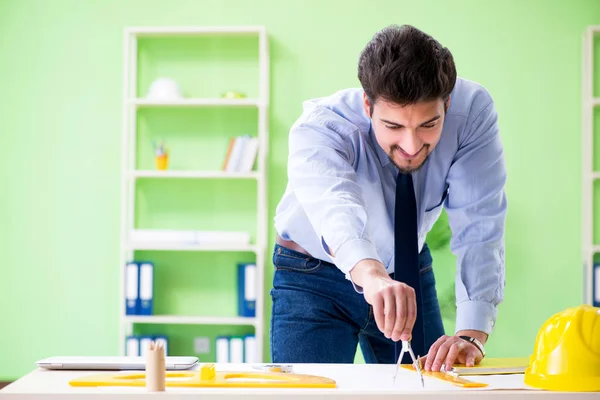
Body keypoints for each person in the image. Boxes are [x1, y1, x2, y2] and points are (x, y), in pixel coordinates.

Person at [270, 24, 507, 372]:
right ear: (368, 104)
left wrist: (471, 335)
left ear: (448, 102)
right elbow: (338, 215)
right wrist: (374, 277)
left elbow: (480, 222)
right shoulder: (320, 128)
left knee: (431, 389)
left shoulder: (471, 114)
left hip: (408, 269)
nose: (411, 146)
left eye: (429, 124)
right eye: (394, 127)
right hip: (313, 276)